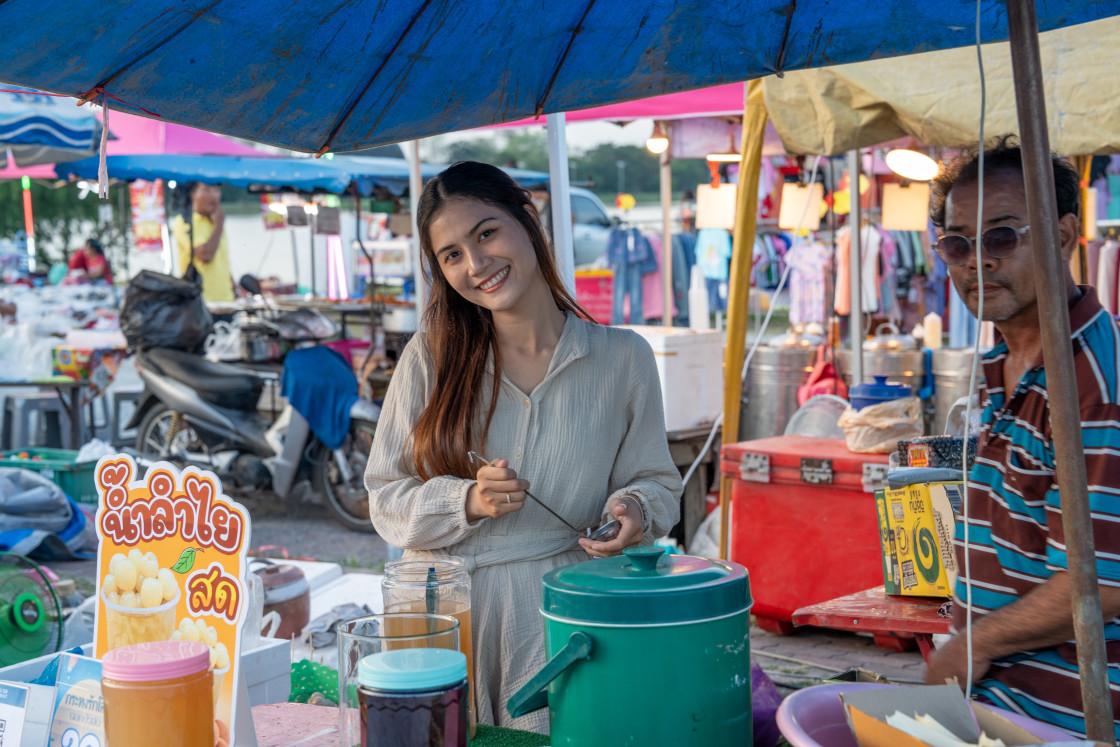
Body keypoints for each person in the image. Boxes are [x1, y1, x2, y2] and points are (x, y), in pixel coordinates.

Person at [364, 161, 682, 733]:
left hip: (563, 619)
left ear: (527, 220)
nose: (476, 264)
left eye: (486, 233)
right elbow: (385, 500)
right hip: (439, 619)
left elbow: (658, 481)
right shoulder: (429, 356)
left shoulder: (623, 358)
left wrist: (634, 509)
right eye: (452, 254)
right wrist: (465, 502)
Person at [923, 135, 1120, 738]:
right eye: (957, 243)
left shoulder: (1093, 383)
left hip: (1063, 717)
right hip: (993, 697)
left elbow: (1103, 583)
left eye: (1002, 236)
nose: (977, 260)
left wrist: (971, 644)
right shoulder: (1001, 361)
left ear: (1063, 237)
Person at [173, 182, 234, 303]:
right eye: (206, 190)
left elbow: (222, 261)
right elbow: (205, 255)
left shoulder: (215, 223)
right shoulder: (185, 222)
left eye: (216, 190)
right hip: (200, 304)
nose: (213, 196)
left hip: (226, 301)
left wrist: (235, 287)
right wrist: (219, 225)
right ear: (193, 194)